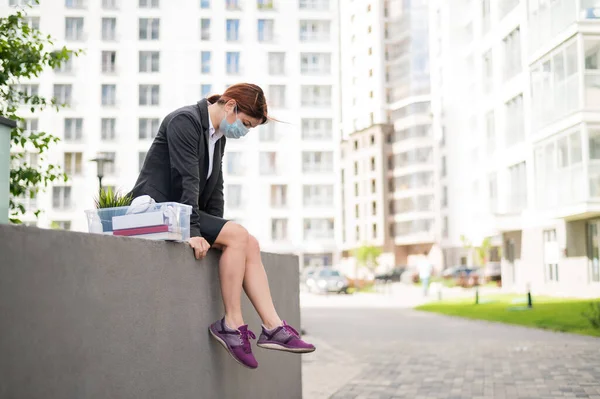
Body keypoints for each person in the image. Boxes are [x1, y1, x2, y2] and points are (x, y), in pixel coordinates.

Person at [130, 83, 315, 369]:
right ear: (230, 106)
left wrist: (220, 229)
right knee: (239, 236)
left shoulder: (217, 136)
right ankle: (231, 324)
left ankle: (273, 327)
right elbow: (186, 178)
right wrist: (194, 232)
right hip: (155, 209)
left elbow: (215, 187)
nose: (244, 131)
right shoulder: (185, 121)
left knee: (247, 242)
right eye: (245, 124)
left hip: (178, 210)